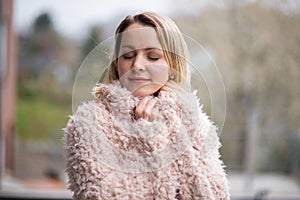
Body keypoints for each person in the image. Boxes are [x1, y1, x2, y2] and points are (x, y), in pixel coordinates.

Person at [64, 12, 229, 199]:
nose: (137, 65)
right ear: (117, 63)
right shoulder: (87, 124)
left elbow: (213, 195)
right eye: (127, 55)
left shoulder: (196, 122)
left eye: (152, 56)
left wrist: (171, 128)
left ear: (173, 64)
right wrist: (149, 135)